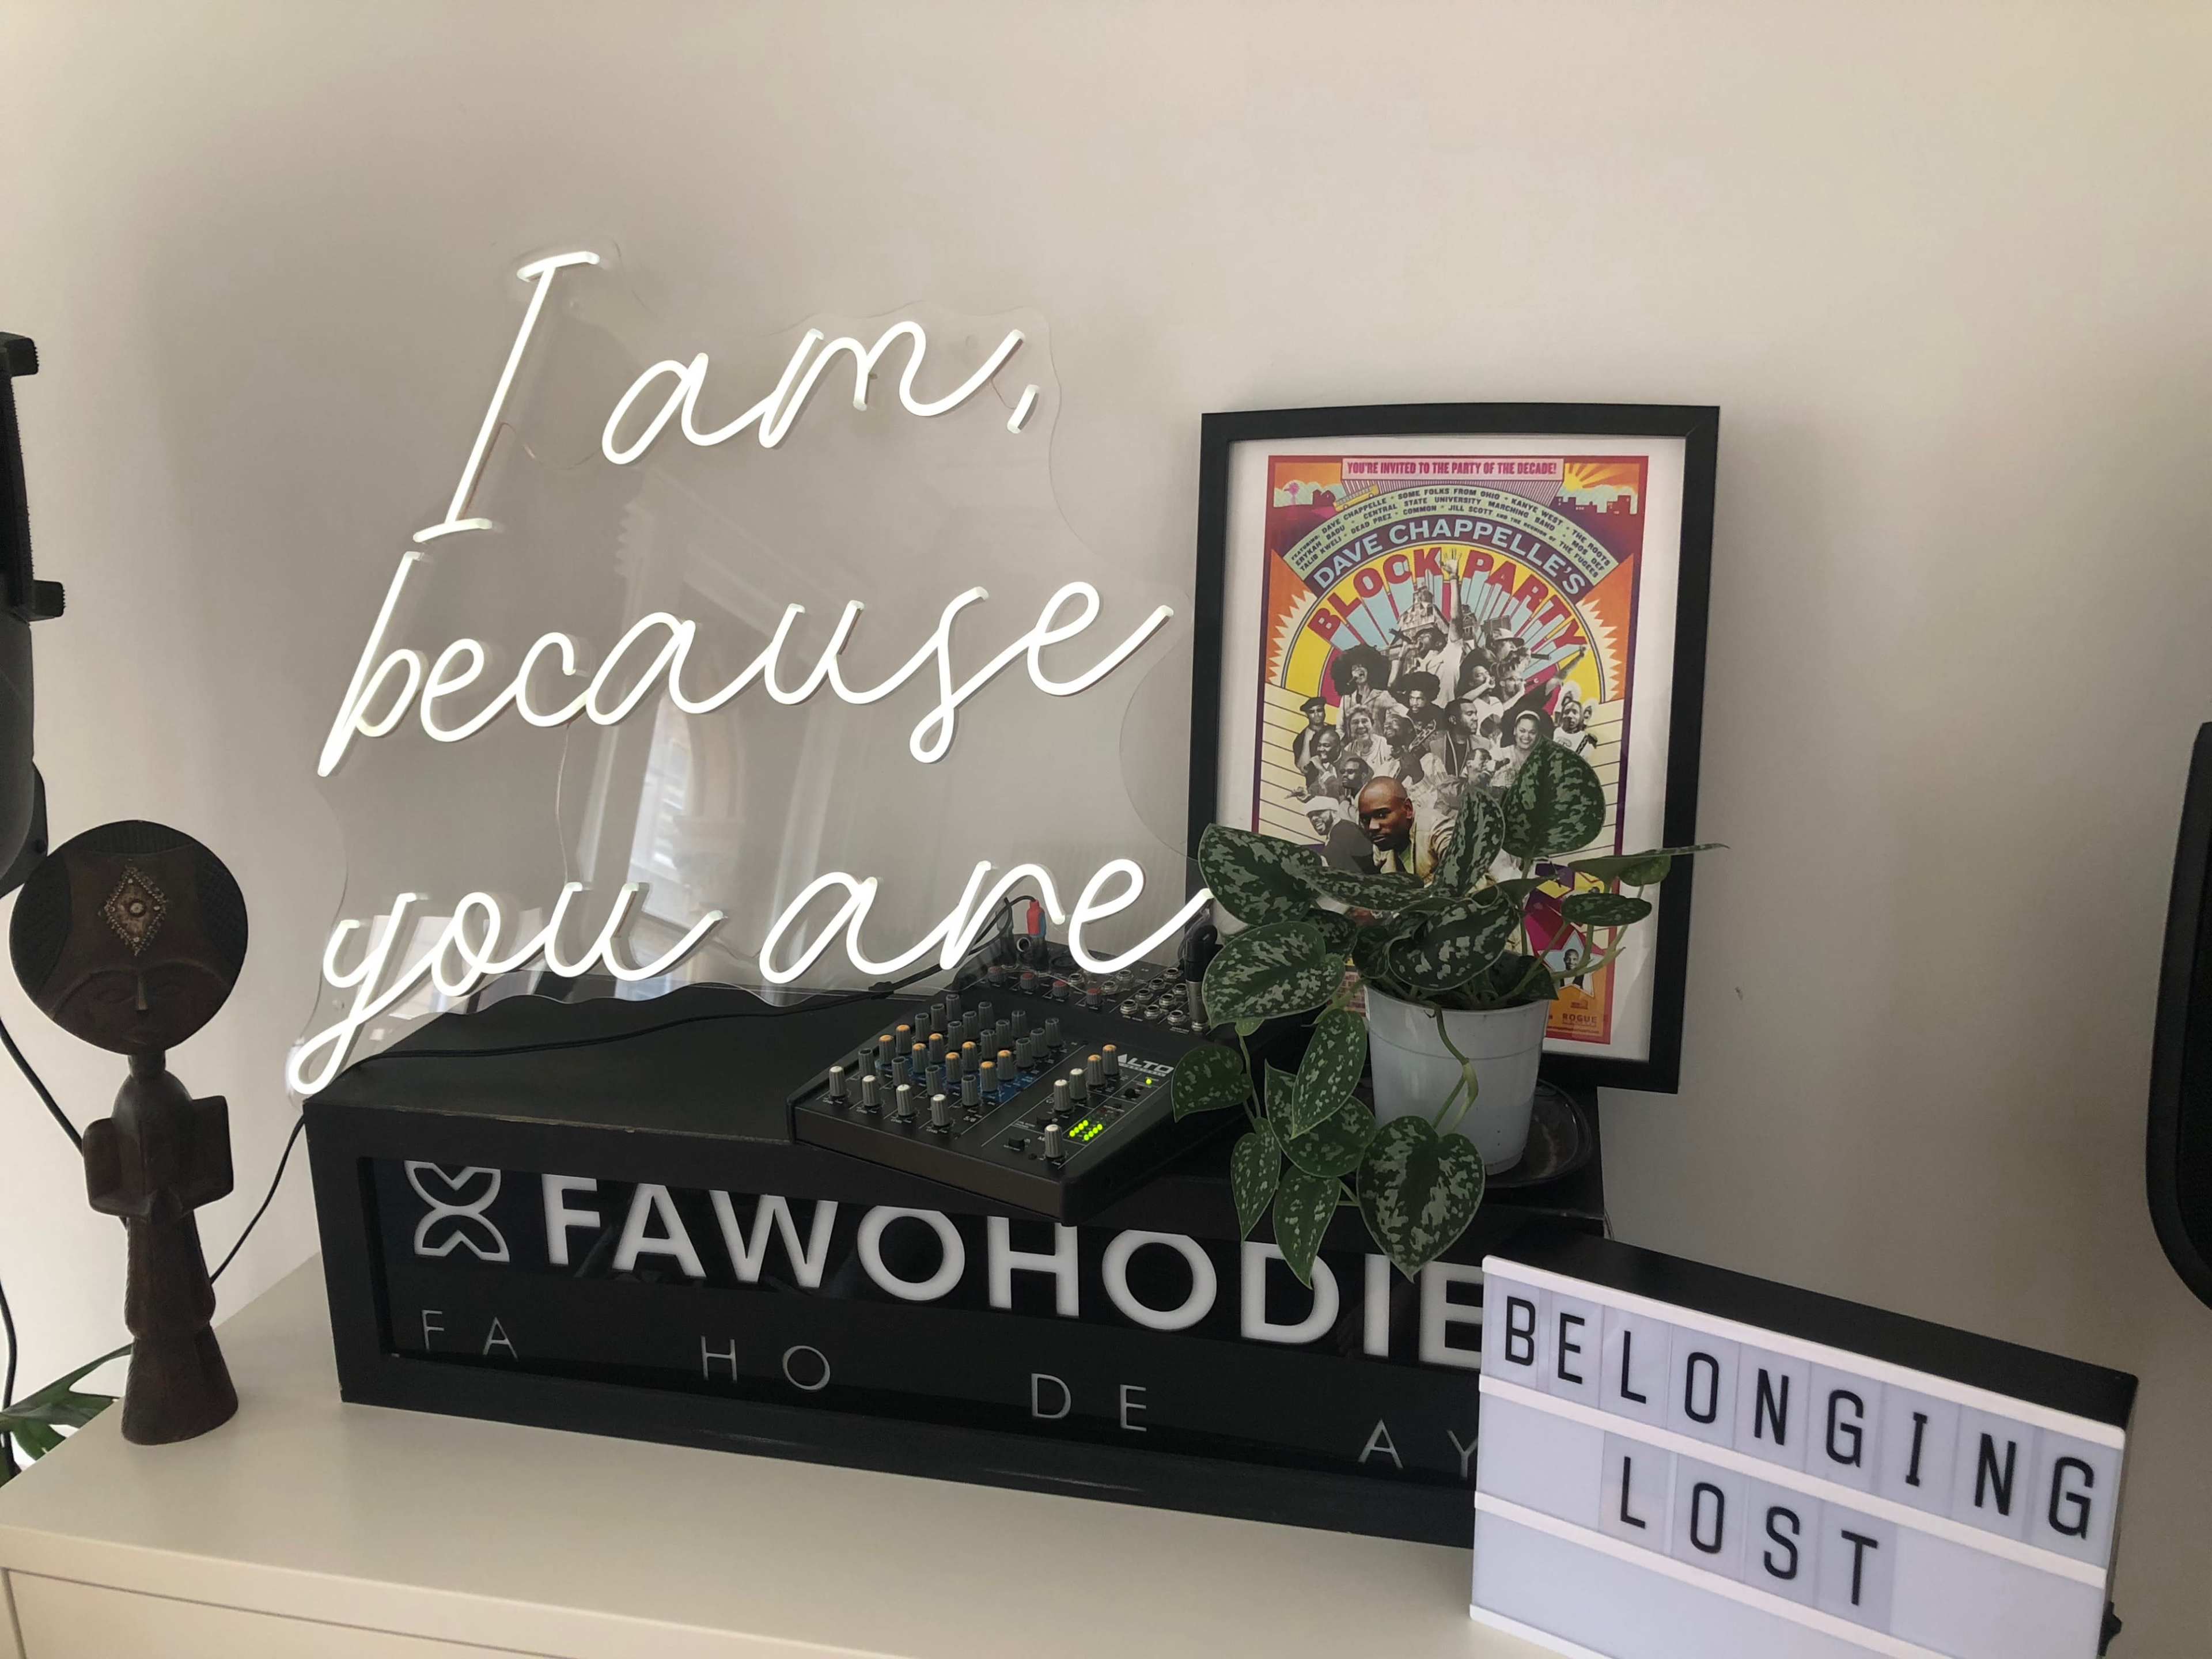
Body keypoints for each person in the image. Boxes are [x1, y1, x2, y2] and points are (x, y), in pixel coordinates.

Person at [1354, 775, 1435, 880]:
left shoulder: (1435, 833)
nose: (1372, 827)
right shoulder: (1381, 843)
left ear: (1408, 809)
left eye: (1382, 815)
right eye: (1366, 820)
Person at [1330, 646, 1398, 728]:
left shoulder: (1382, 696)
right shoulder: (1346, 700)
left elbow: (1403, 713)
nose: (1359, 670)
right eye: (1354, 668)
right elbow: (1340, 728)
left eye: (1362, 666)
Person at [1491, 707, 1549, 790]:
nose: (1526, 736)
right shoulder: (1499, 754)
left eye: (1532, 733)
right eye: (1522, 731)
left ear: (1538, 735)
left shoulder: (1544, 760)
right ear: (1515, 731)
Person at [1290, 695, 1330, 774]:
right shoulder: (1300, 740)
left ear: (1324, 712)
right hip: (1314, 783)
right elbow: (1305, 769)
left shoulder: (1333, 730)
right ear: (1306, 715)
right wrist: (1307, 741)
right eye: (1312, 712)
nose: (1316, 715)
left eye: (1319, 710)